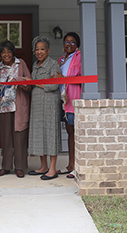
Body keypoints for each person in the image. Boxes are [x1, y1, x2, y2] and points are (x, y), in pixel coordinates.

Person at [0, 40, 32, 178]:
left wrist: (19, 80)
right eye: (3, 52)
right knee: (6, 137)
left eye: (9, 51)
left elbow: (29, 83)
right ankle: (6, 167)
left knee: (19, 137)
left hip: (19, 106)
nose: (6, 54)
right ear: (0, 54)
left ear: (13, 52)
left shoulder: (21, 64)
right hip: (3, 107)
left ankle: (19, 167)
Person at [26, 35, 62, 180]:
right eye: (37, 50)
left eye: (42, 49)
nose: (39, 52)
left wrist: (33, 82)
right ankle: (43, 166)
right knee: (40, 134)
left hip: (50, 104)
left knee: (51, 134)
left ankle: (52, 169)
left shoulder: (53, 65)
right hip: (37, 105)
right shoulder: (35, 65)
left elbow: (54, 85)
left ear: (48, 50)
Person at [57, 32, 81, 179]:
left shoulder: (79, 57)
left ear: (77, 44)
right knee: (69, 131)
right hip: (63, 100)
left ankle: (76, 166)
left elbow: (80, 77)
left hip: (73, 98)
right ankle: (70, 164)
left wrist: (63, 78)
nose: (69, 44)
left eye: (72, 42)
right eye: (66, 42)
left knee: (75, 133)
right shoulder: (62, 59)